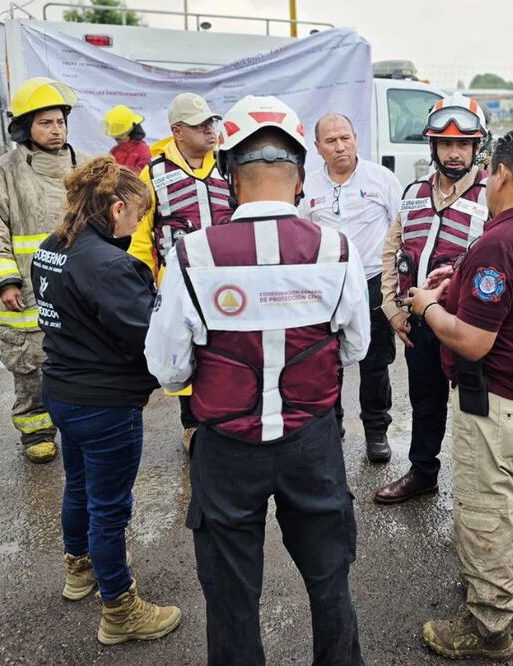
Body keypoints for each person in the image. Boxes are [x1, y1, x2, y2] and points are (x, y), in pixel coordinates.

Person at [144, 95, 368, 665]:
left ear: (228, 175)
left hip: (225, 447)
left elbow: (168, 368)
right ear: (300, 176)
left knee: (232, 598)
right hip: (312, 443)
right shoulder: (337, 250)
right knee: (329, 586)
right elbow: (356, 347)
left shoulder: (191, 255)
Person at [408, 131, 513, 660]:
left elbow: (474, 341)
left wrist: (425, 307)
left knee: (486, 513)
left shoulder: (501, 242)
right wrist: (458, 280)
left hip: (496, 401)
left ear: (500, 174)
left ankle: (487, 626)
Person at [32, 156, 181, 646]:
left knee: (79, 488)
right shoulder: (110, 265)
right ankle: (120, 610)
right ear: (115, 208)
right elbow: (148, 338)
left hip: (63, 392)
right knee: (110, 508)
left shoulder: (52, 248)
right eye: (137, 214)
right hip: (105, 404)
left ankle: (80, 571)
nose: (138, 223)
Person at [374, 93, 491, 504]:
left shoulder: (491, 196)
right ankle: (423, 472)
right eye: (445, 144)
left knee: (477, 408)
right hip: (419, 324)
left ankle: (480, 487)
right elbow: (392, 253)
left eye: (463, 144)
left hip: (467, 326)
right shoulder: (413, 192)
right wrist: (392, 310)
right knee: (425, 404)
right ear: (433, 146)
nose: (454, 153)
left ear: (478, 147)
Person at [0, 77, 86, 464]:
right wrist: (5, 281)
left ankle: (79, 423)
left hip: (80, 287)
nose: (57, 131)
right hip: (26, 288)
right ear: (24, 128)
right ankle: (36, 430)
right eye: (46, 123)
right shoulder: (1, 173)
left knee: (82, 358)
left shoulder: (86, 167)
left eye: (60, 122)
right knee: (30, 362)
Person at [128, 92, 234, 454]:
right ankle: (192, 425)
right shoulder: (153, 174)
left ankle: (226, 418)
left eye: (211, 122)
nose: (210, 130)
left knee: (228, 355)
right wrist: (145, 288)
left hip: (228, 287)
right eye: (200, 125)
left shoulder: (228, 166)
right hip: (179, 289)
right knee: (185, 357)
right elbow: (140, 238)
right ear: (177, 131)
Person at [299, 113, 402, 463]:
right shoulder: (308, 186)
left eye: (346, 138)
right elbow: (300, 235)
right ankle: (332, 426)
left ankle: (376, 431)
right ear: (317, 148)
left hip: (373, 284)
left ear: (356, 138)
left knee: (375, 364)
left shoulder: (382, 179)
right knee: (328, 363)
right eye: (331, 141)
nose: (340, 146)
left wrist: (395, 290)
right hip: (327, 288)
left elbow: (399, 232)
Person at [103, 105, 151, 173]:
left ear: (131, 132)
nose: (116, 140)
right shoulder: (114, 151)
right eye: (115, 137)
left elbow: (142, 178)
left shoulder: (144, 152)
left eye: (119, 137)